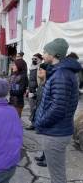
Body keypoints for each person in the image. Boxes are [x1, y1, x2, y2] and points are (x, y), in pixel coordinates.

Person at [35, 38, 82, 183]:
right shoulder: (61, 72)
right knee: (56, 172)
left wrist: (41, 122)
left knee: (57, 175)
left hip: (55, 133)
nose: (43, 54)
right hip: (57, 131)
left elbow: (58, 108)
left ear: (54, 54)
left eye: (46, 52)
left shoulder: (61, 75)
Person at [32, 63, 49, 167]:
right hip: (40, 111)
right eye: (39, 70)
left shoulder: (48, 84)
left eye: (41, 70)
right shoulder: (43, 83)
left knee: (48, 138)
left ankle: (48, 159)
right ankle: (44, 155)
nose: (39, 72)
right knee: (45, 137)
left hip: (46, 114)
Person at [26, 53, 43, 130]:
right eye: (32, 59)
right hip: (31, 90)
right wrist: (28, 89)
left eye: (35, 59)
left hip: (37, 91)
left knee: (37, 108)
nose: (33, 60)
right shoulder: (32, 67)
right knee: (32, 108)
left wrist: (36, 92)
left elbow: (42, 82)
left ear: (40, 59)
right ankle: (33, 124)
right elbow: (30, 80)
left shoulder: (41, 68)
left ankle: (36, 124)